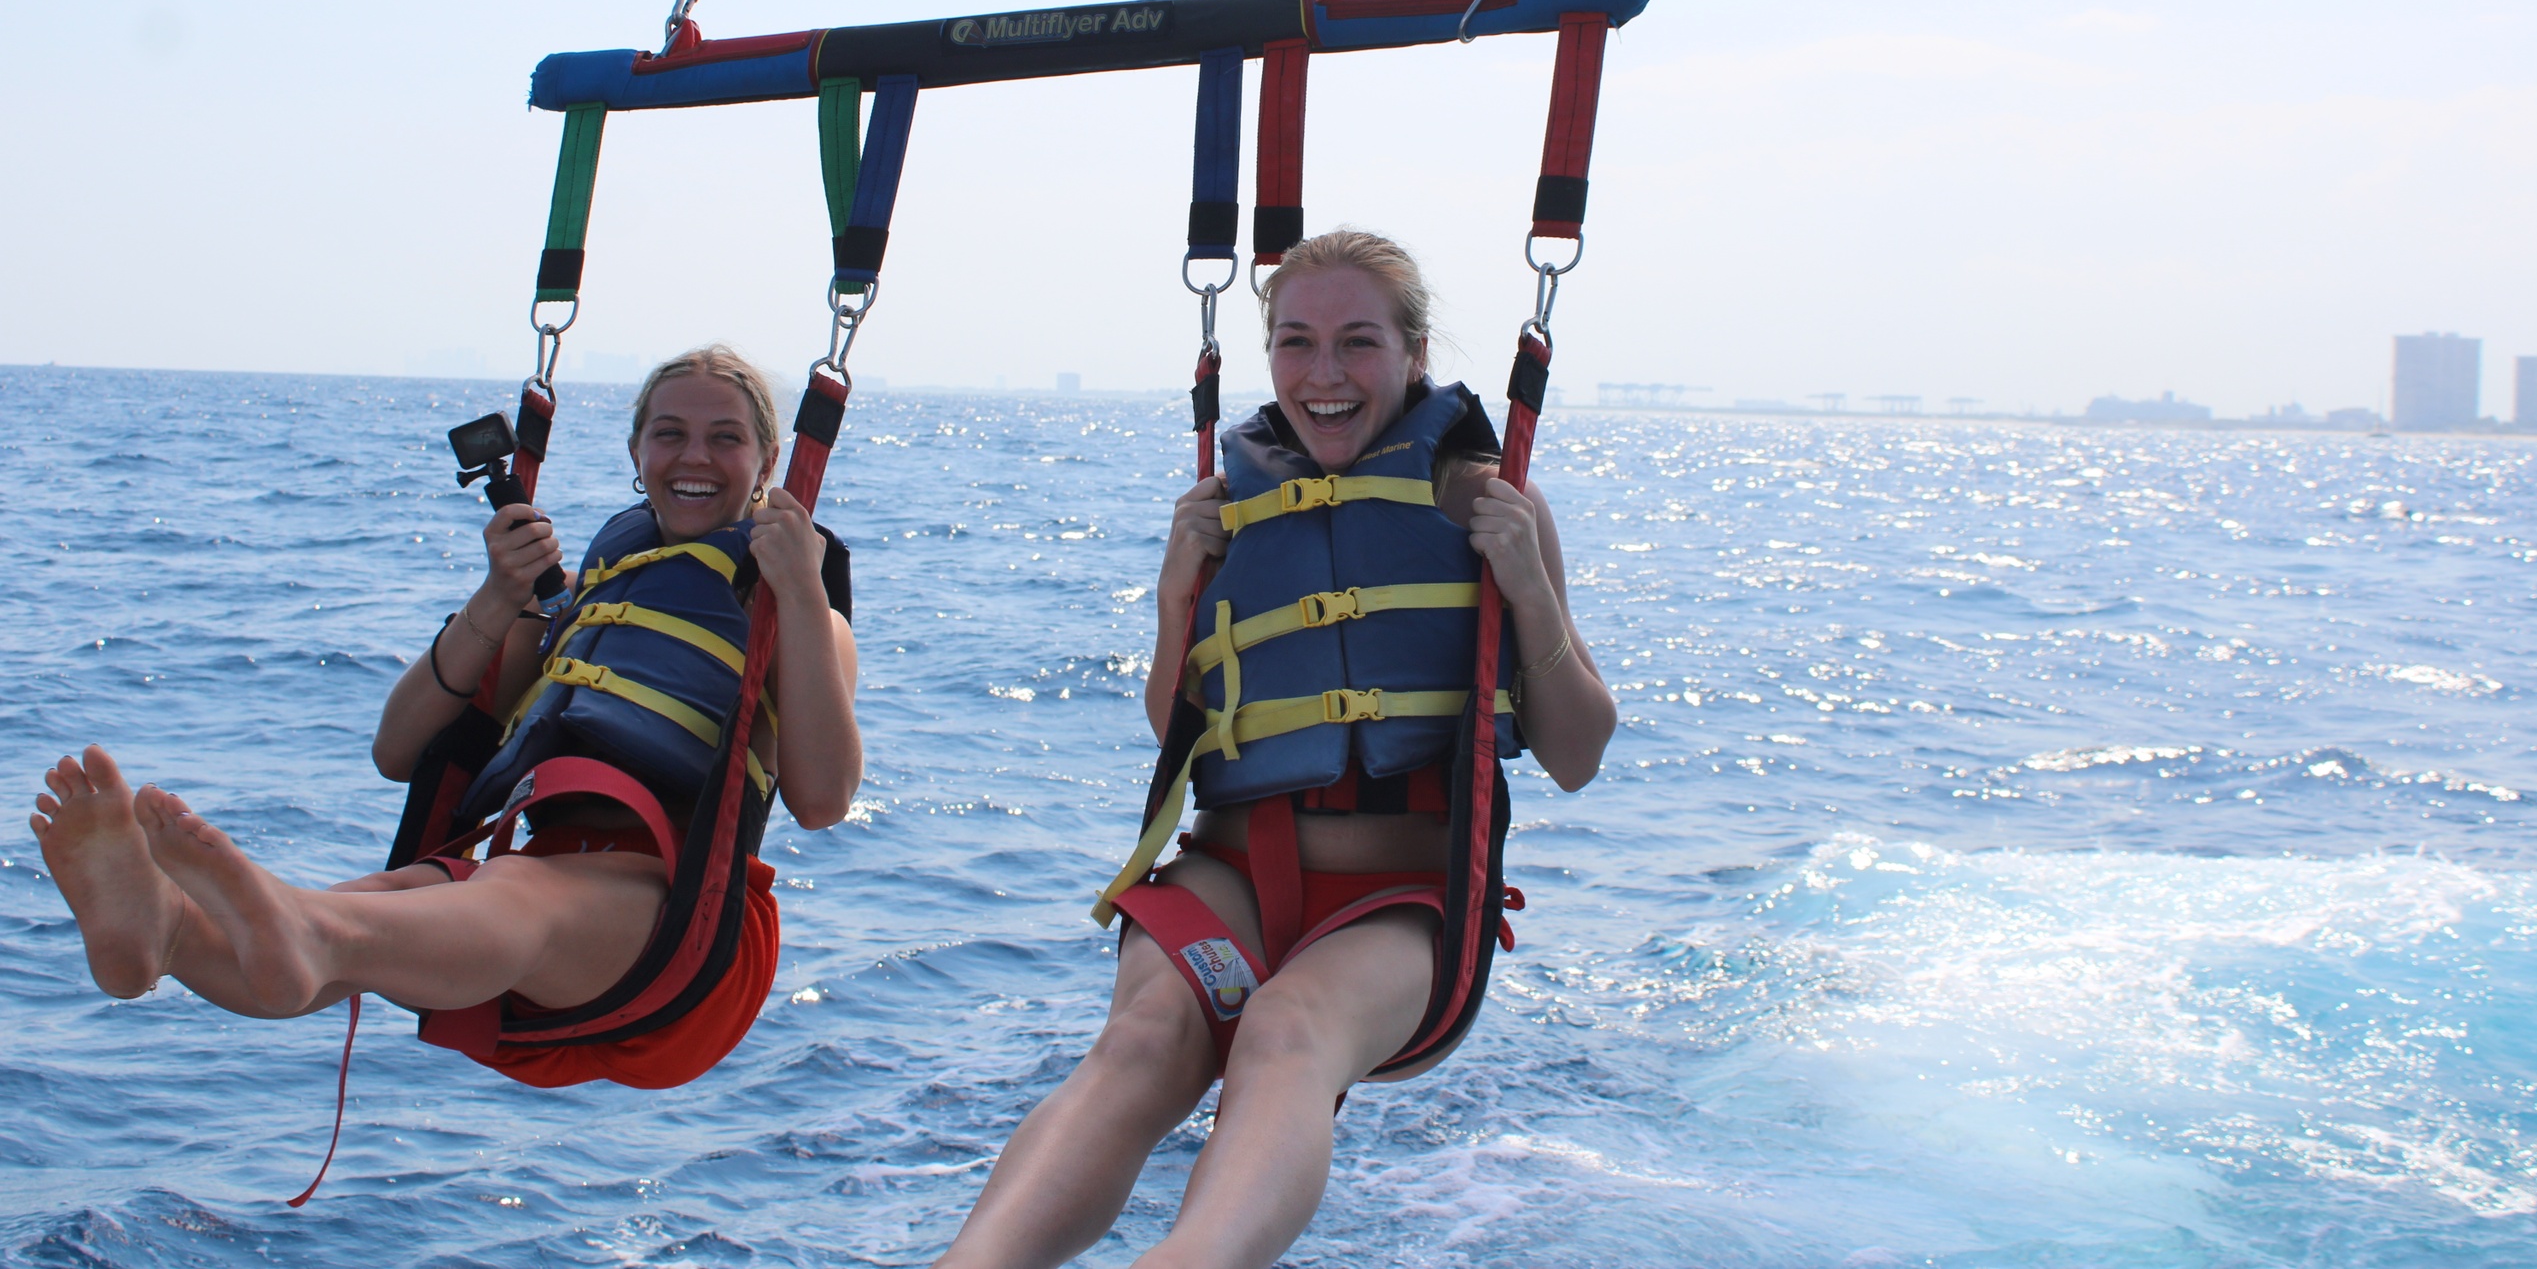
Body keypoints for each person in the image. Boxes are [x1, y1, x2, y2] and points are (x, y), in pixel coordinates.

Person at [939, 231, 1616, 1269]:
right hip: (1232, 874)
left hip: (1402, 901)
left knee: (1286, 1030)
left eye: (1358, 342)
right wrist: (1175, 599)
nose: (1325, 375)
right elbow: (1181, 726)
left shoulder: (1488, 502)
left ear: (1414, 352)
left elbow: (1577, 751)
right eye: (1296, 343)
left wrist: (1527, 588)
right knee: (1142, 1043)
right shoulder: (1228, 509)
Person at [28, 345, 860, 1091]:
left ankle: (294, 934)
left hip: (679, 922)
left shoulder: (794, 610)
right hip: (538, 863)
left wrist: (801, 589)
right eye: (669, 432)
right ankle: (162, 935)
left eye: (725, 438)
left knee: (488, 900)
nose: (695, 456)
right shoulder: (582, 598)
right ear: (637, 451)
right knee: (385, 903)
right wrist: (500, 597)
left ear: (768, 463)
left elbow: (821, 800)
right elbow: (400, 749)